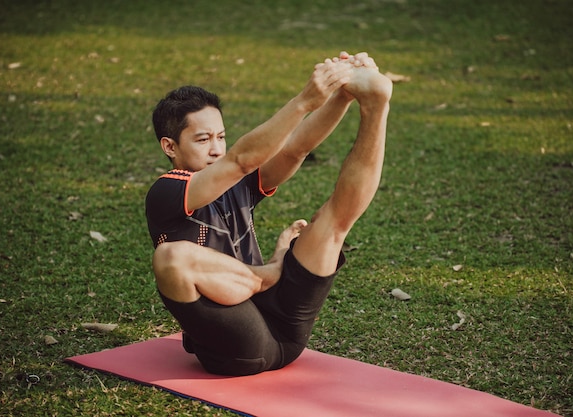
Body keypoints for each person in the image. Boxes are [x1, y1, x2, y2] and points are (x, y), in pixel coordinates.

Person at [145, 51, 392, 376]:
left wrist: (342, 94)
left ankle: (375, 108)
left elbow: (295, 148)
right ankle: (268, 273)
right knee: (171, 258)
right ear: (170, 147)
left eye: (221, 137)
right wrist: (304, 100)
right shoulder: (167, 191)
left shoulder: (235, 180)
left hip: (287, 325)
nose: (217, 149)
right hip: (236, 346)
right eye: (203, 139)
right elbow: (240, 160)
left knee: (331, 225)